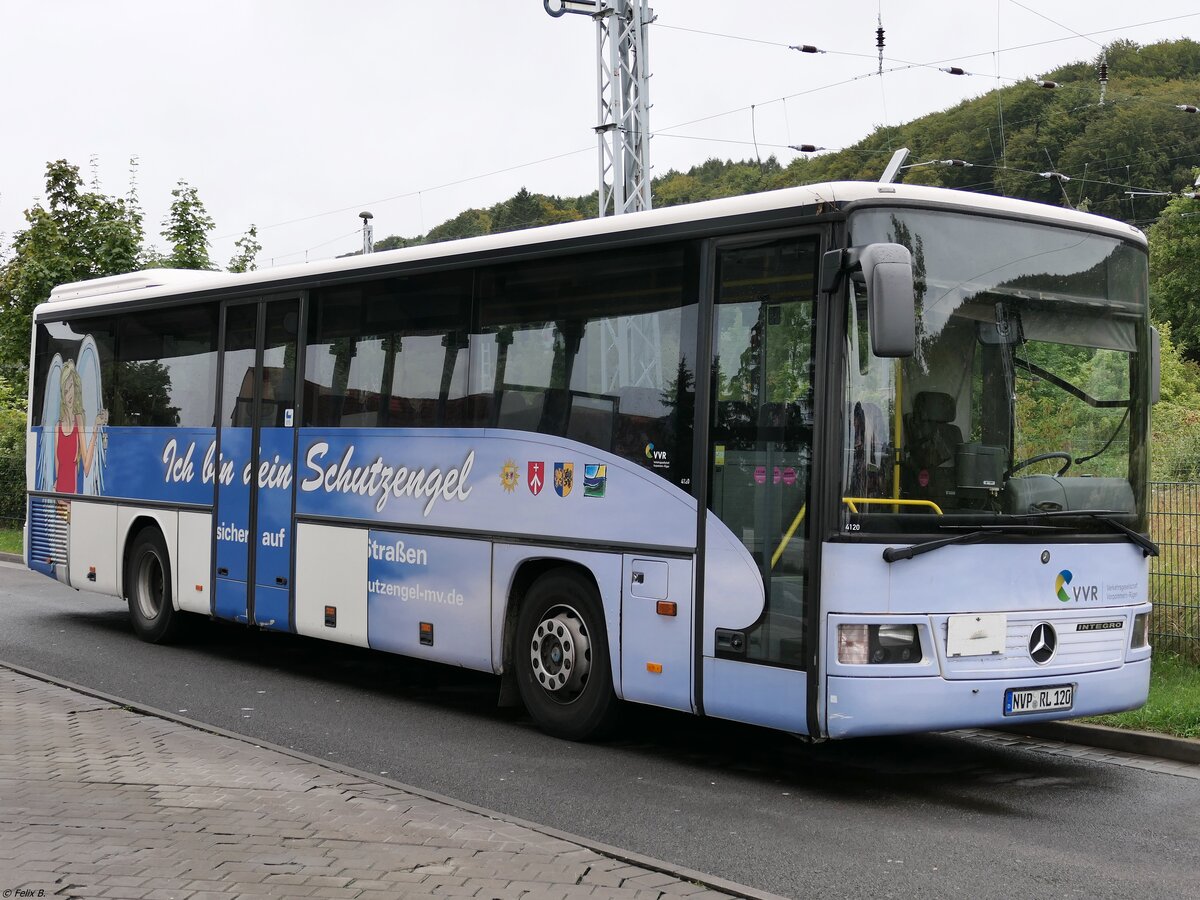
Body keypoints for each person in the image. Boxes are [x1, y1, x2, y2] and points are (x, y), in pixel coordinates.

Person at [54, 360, 107, 494]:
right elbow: (57, 467)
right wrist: (54, 489)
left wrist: (94, 432)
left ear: (76, 387)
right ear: (62, 394)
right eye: (65, 390)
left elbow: (87, 466)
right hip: (57, 495)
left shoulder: (79, 421)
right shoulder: (56, 427)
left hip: (72, 497)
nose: (69, 395)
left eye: (71, 386)